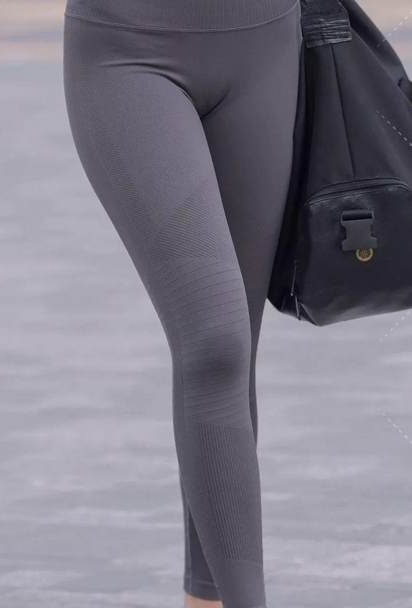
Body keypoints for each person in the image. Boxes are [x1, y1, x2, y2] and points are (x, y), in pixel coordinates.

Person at [63, 0, 301, 605]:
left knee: (231, 352)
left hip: (266, 42)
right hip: (129, 49)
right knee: (215, 339)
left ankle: (205, 598)